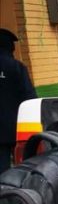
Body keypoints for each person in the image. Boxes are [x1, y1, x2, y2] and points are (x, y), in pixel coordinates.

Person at [0, 28, 36, 173]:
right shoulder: (17, 68)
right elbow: (30, 98)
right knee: (22, 165)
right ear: (10, 47)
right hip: (16, 127)